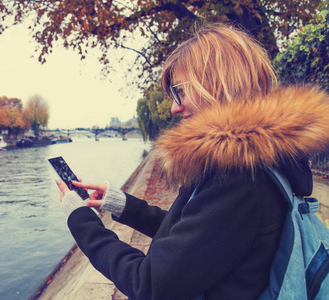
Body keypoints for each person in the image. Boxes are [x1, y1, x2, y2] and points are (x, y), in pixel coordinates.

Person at [55, 23, 329, 300]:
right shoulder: (253, 163)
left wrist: (82, 222)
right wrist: (121, 204)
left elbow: (149, 284)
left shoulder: (238, 178)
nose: (174, 107)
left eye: (180, 92)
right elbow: (194, 238)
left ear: (217, 82)